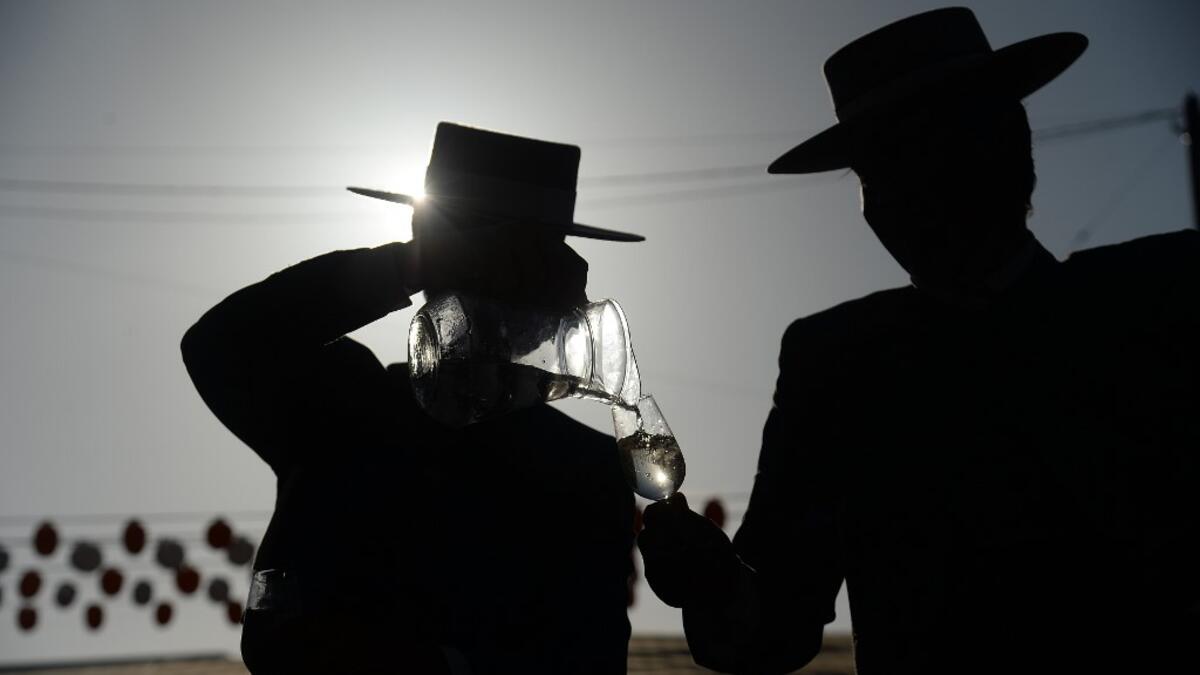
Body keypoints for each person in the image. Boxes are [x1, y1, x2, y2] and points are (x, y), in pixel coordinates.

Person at [637, 7, 1200, 674]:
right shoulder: (834, 361)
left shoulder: (1161, 300)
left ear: (1008, 145)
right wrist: (712, 581)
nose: (900, 196)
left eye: (929, 150)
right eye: (877, 171)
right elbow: (773, 626)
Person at [181, 123, 641, 674]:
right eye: (469, 257)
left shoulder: (587, 473)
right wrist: (407, 263)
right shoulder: (346, 403)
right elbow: (222, 344)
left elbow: (587, 656)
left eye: (519, 265)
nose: (494, 289)